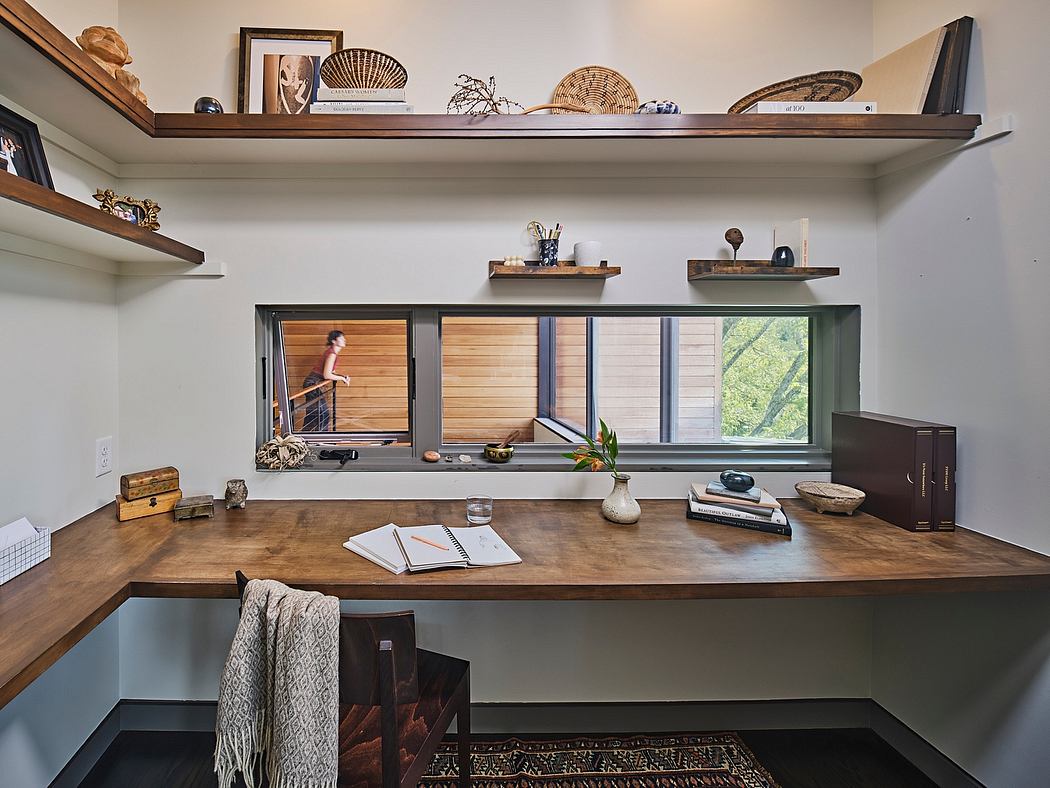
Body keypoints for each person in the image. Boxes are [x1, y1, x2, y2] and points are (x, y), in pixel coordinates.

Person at [301, 330, 350, 432]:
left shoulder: (332, 353)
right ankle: (321, 440)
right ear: (334, 341)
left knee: (313, 415)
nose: (344, 340)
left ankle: (303, 438)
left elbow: (330, 373)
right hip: (312, 384)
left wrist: (342, 376)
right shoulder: (332, 354)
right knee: (323, 414)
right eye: (341, 338)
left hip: (313, 383)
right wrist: (341, 378)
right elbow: (327, 374)